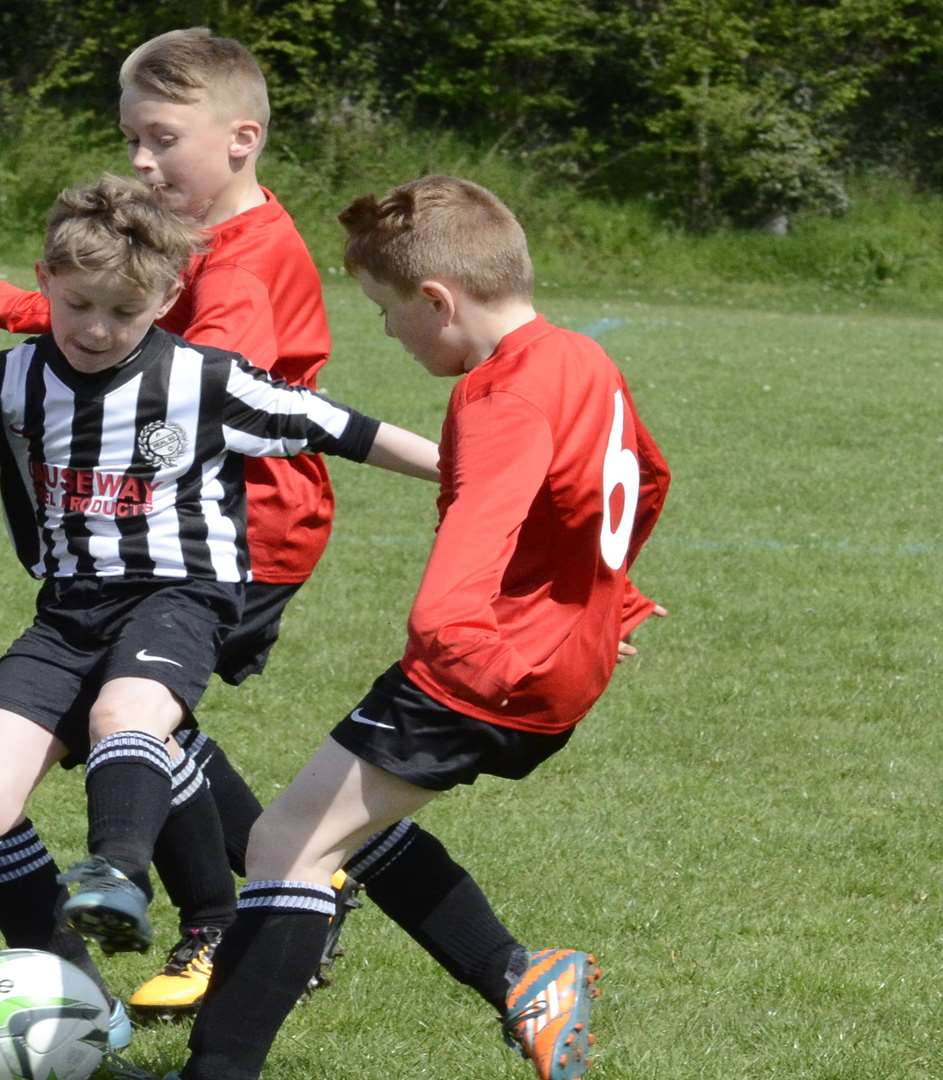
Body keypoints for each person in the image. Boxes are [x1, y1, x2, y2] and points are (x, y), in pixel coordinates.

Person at [0, 174, 439, 1051]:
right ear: (44, 278)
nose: (95, 328)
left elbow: (342, 428)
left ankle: (118, 873)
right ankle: (85, 1007)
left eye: (123, 311)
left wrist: (474, 472)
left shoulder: (201, 378)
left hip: (180, 595)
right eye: (79, 303)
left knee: (128, 715)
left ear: (165, 298)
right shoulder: (8, 379)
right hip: (69, 611)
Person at [165, 175, 671, 1080]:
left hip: (482, 669)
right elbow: (646, 477)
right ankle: (521, 976)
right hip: (553, 663)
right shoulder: (580, 358)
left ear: (438, 299)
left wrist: (460, 645)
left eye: (386, 309)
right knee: (351, 820)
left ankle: (217, 1071)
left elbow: (469, 550)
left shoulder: (499, 398)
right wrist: (605, 597)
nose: (386, 330)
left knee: (286, 847)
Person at [0, 27, 363, 1014]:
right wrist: (18, 319)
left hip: (240, 531)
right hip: (171, 527)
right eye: (131, 139)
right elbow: (117, 336)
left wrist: (15, 421)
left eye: (161, 140)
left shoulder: (245, 268)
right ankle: (284, 887)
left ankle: (247, 905)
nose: (140, 160)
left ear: (239, 139)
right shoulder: (210, 243)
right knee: (132, 721)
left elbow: (164, 388)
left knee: (118, 715)